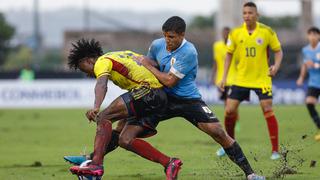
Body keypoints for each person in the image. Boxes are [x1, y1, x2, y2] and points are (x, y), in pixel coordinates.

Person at [66, 16, 265, 180]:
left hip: (186, 99)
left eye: (171, 37)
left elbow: (168, 80)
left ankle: (250, 174)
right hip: (158, 98)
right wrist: (145, 67)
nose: (168, 41)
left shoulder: (188, 51)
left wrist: (148, 67)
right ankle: (92, 161)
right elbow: (145, 64)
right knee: (123, 136)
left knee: (218, 132)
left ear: (182, 35)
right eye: (165, 36)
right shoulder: (157, 45)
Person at [66, 39, 182, 179]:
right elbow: (152, 63)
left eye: (82, 67)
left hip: (148, 92)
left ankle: (95, 164)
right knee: (124, 139)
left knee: (104, 117)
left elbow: (101, 84)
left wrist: (96, 107)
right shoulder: (122, 54)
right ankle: (169, 163)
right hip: (158, 98)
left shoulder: (102, 61)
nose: (86, 73)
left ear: (89, 60)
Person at [219, 2, 283, 160]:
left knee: (267, 108)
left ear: (257, 15)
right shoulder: (235, 33)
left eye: (250, 13)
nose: (247, 15)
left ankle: (275, 150)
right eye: (245, 13)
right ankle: (229, 144)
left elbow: (278, 51)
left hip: (262, 79)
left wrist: (276, 66)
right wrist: (224, 77)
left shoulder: (267, 31)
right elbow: (228, 55)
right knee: (229, 110)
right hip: (241, 78)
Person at [212, 27, 240, 157]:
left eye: (228, 33)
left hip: (233, 79)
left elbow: (239, 62)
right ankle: (230, 134)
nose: (226, 35)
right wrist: (214, 76)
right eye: (224, 33)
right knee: (226, 104)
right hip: (221, 80)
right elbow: (216, 62)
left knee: (230, 105)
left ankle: (234, 126)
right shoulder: (217, 46)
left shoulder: (235, 46)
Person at [296, 26, 320, 141]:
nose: (312, 37)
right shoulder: (305, 50)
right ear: (308, 36)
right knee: (309, 103)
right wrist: (301, 77)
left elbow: (311, 64)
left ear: (318, 36)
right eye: (310, 34)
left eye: (315, 34)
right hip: (314, 83)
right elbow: (305, 65)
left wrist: (315, 65)